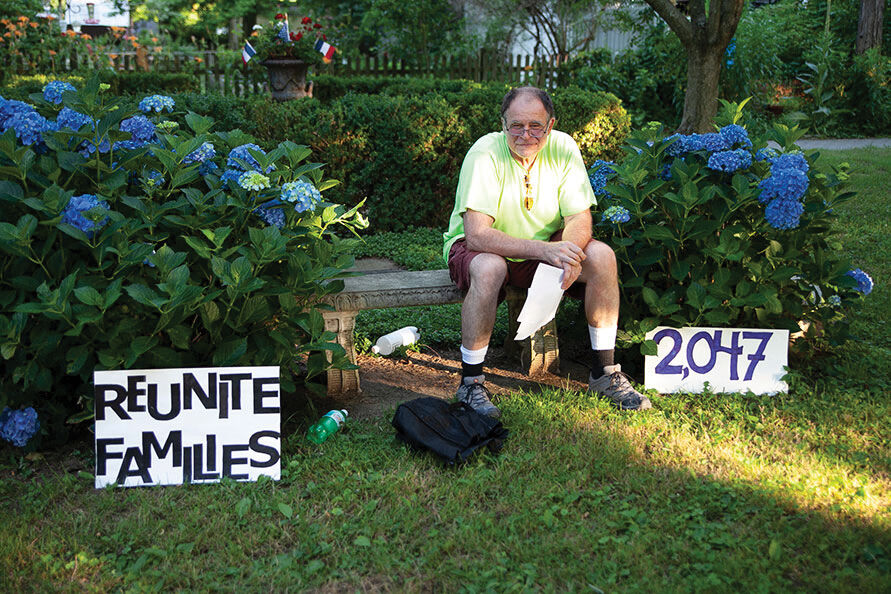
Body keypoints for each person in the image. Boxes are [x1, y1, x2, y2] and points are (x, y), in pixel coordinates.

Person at [442, 86, 652, 418]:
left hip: (544, 248)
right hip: (484, 249)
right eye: (516, 125)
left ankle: (604, 373)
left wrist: (571, 252)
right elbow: (477, 235)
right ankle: (471, 382)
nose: (525, 134)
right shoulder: (484, 153)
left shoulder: (564, 147)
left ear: (550, 125)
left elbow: (579, 217)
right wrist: (546, 250)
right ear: (503, 124)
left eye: (535, 126)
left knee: (602, 257)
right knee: (490, 268)